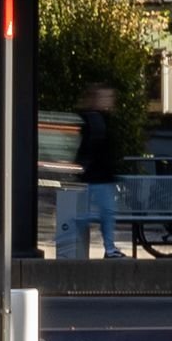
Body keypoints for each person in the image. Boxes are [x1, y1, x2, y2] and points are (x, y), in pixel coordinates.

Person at [56, 83, 124, 259]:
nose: (109, 100)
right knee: (107, 212)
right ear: (96, 99)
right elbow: (95, 147)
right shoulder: (96, 119)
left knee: (104, 212)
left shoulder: (96, 118)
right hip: (99, 174)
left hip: (98, 174)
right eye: (105, 97)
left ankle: (75, 227)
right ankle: (107, 247)